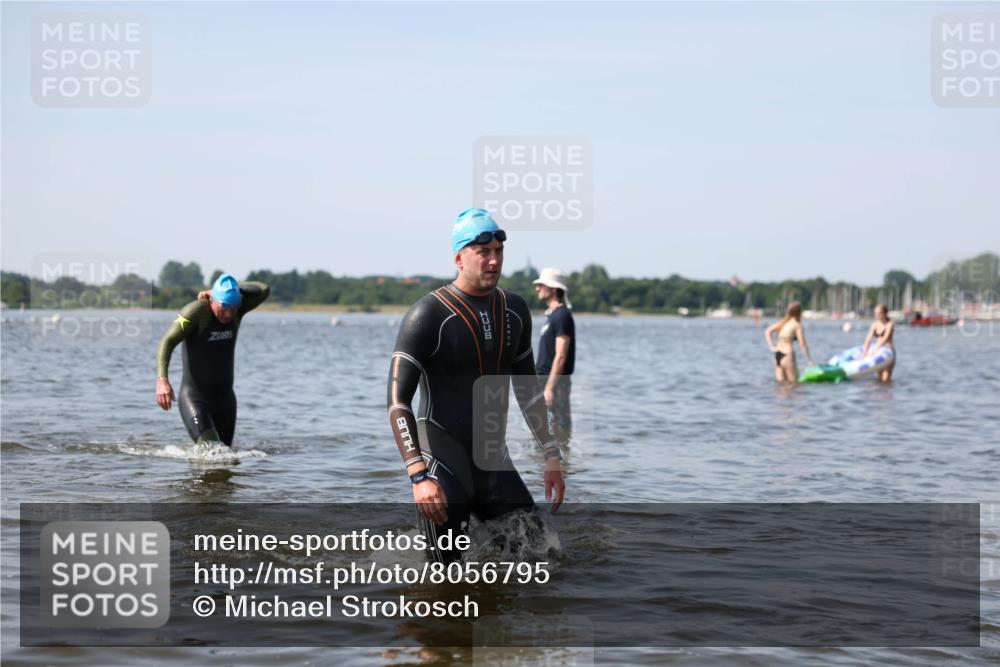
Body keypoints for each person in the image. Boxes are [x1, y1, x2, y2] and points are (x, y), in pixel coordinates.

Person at [387, 208, 566, 564]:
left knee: (542, 560)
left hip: (495, 467)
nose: (493, 260)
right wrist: (418, 475)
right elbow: (397, 401)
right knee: (444, 584)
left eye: (499, 252)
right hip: (442, 470)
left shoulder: (514, 311)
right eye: (483, 252)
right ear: (459, 257)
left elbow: (528, 391)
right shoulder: (428, 315)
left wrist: (551, 454)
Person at [155, 273, 270, 446]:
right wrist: (162, 380)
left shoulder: (238, 309)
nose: (229, 313)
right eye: (224, 306)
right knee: (212, 451)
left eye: (233, 307)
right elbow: (167, 341)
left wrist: (235, 290)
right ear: (212, 300)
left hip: (225, 401)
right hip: (195, 400)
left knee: (225, 457)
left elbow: (263, 289)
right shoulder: (196, 311)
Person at [533, 268, 576, 448]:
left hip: (555, 383)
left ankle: (559, 469)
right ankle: (543, 470)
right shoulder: (553, 316)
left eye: (541, 285)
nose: (537, 288)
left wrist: (549, 389)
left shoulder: (562, 316)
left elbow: (561, 356)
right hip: (545, 381)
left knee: (556, 430)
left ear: (553, 288)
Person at [764, 301, 814, 383]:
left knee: (780, 386)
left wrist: (771, 346)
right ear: (799, 312)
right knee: (793, 384)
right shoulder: (797, 325)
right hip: (787, 355)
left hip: (777, 355)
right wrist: (809, 360)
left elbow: (767, 331)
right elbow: (803, 344)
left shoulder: (783, 323)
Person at [861, 304, 895, 382]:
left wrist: (875, 350)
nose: (877, 315)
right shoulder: (875, 324)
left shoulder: (890, 324)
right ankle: (879, 394)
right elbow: (868, 339)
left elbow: (885, 338)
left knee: (886, 378)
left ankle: (888, 393)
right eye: (875, 313)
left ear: (885, 313)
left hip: (888, 351)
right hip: (878, 351)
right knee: (879, 378)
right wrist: (865, 352)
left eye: (879, 313)